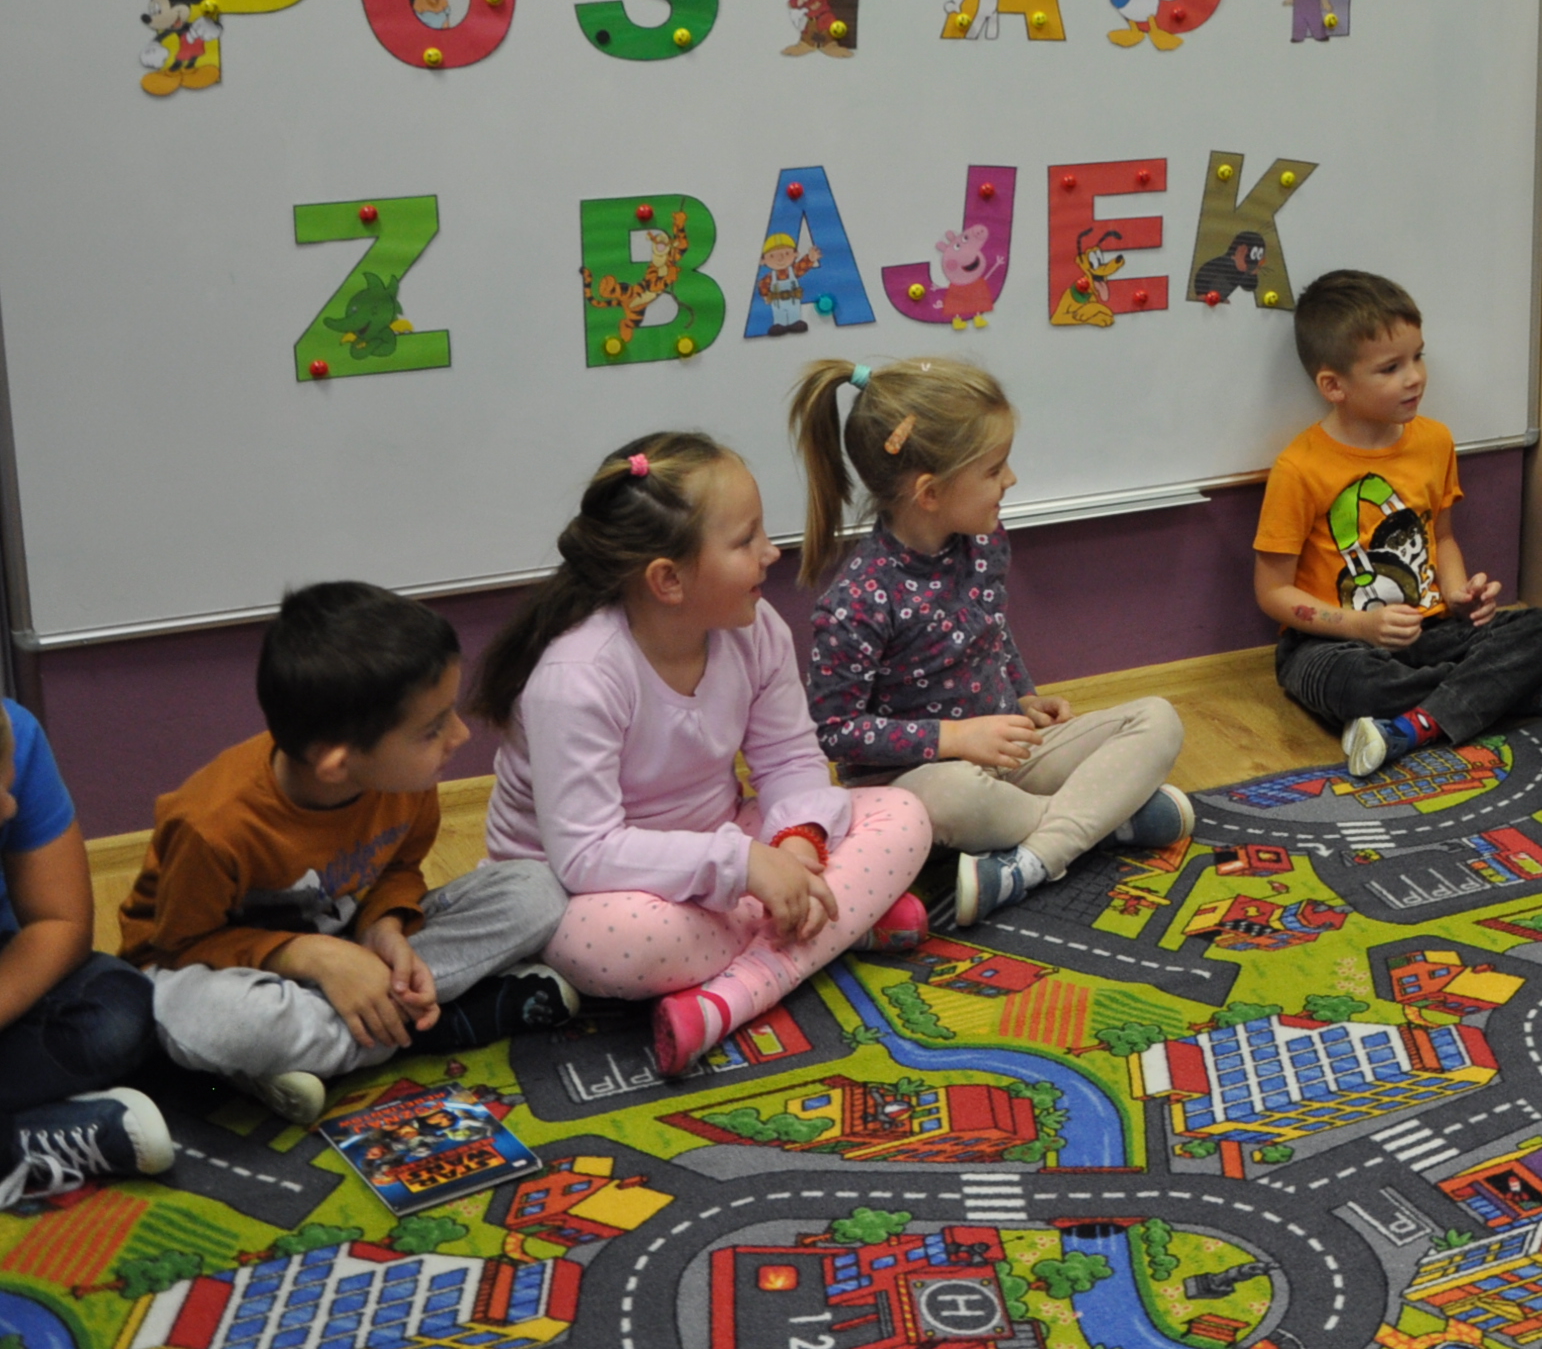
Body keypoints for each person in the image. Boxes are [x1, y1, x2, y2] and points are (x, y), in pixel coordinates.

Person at [476, 436, 933, 1079]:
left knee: (905, 813)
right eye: (746, 540)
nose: (770, 553)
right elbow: (586, 854)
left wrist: (798, 844)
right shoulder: (577, 677)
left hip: (716, 844)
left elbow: (788, 758)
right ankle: (838, 920)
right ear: (668, 580)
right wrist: (745, 866)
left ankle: (730, 995)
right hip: (588, 885)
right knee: (624, 944)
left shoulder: (756, 628)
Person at [120, 583, 571, 1128]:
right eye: (432, 729)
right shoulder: (212, 825)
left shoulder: (406, 776)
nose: (458, 735)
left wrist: (385, 927)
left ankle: (336, 1036)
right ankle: (431, 1023)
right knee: (217, 1023)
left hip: (349, 943)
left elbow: (398, 867)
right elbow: (180, 947)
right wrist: (314, 957)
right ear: (337, 765)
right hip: (214, 968)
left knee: (535, 891)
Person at [791, 357, 1189, 930]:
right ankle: (1104, 822)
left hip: (1007, 760)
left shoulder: (985, 541)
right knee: (951, 796)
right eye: (995, 469)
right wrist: (954, 737)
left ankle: (1032, 857)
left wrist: (1024, 695)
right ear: (931, 492)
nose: (1011, 480)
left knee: (1156, 718)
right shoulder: (858, 600)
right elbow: (835, 731)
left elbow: (991, 630)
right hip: (919, 783)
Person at [1257, 271, 1542, 779]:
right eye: (1391, 368)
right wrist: (1360, 626)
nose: (1415, 377)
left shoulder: (1434, 441)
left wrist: (1459, 594)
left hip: (1431, 630)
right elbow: (1273, 592)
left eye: (1418, 357)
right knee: (1358, 685)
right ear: (1334, 386)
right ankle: (1504, 695)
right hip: (1333, 643)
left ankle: (1412, 726)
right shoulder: (1299, 468)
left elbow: (1442, 537)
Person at [0, 699, 166, 1203]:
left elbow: (60, 921)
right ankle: (20, 1142)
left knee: (119, 1010)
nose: (9, 809)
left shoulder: (14, 730)